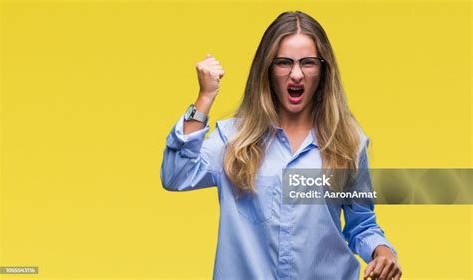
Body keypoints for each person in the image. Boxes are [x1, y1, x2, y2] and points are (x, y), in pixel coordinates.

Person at [161, 10, 402, 280]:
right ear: (268, 69)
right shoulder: (234, 140)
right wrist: (205, 97)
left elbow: (361, 225)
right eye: (284, 63)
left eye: (308, 63)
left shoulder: (348, 142)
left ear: (323, 70)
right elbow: (176, 174)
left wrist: (383, 253)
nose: (296, 74)